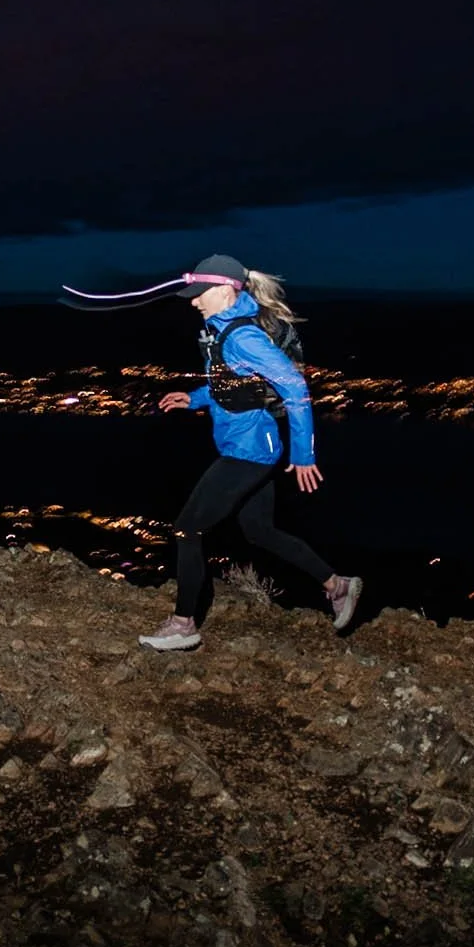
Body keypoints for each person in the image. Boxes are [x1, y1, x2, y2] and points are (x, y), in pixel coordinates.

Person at [139, 255, 361, 651]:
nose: (194, 301)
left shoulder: (242, 336)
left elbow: (295, 388)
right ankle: (337, 584)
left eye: (200, 293)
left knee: (187, 528)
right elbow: (232, 387)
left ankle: (183, 624)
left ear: (227, 291)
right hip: (248, 446)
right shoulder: (223, 330)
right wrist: (193, 398)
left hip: (250, 452)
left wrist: (304, 454)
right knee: (259, 531)